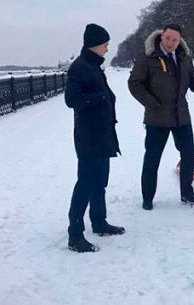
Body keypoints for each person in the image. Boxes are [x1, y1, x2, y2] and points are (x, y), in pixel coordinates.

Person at [128, 24, 194, 211]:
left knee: (188, 153)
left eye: (175, 40)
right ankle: (148, 197)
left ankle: (186, 193)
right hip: (157, 118)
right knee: (152, 158)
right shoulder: (148, 56)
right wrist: (151, 103)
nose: (170, 43)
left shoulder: (184, 57)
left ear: (180, 41)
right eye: (168, 38)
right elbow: (134, 83)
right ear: (162, 36)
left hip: (181, 116)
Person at [65, 23, 125, 253]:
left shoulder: (93, 66)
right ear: (95, 44)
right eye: (105, 44)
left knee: (100, 182)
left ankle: (99, 222)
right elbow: (72, 100)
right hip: (89, 137)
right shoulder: (80, 67)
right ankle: (75, 234)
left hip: (102, 135)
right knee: (86, 184)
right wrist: (99, 97)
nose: (107, 49)